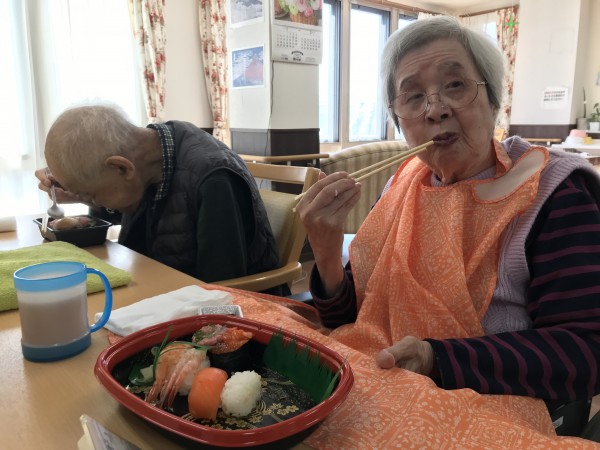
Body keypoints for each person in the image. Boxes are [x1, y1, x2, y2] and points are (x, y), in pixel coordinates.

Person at [295, 15, 600, 431]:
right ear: (399, 119)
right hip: (376, 377)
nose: (436, 110)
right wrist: (327, 252)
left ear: (493, 100)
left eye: (455, 85)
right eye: (413, 96)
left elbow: (585, 350)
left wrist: (436, 357)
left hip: (490, 405)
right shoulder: (404, 183)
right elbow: (350, 315)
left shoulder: (551, 191)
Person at [36, 104, 286, 295]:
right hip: (161, 291)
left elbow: (222, 291)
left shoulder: (213, 179)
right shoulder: (149, 156)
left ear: (122, 168)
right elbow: (145, 209)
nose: (96, 202)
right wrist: (79, 194)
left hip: (229, 316)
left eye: (92, 194)